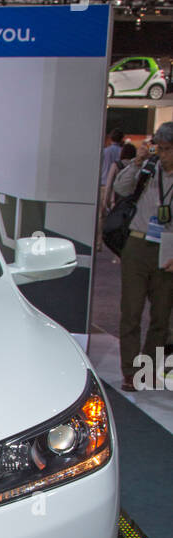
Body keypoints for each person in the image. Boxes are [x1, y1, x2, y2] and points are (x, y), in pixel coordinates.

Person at [112, 121, 173, 390]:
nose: (164, 154)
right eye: (160, 148)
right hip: (137, 246)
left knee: (162, 316)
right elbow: (121, 188)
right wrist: (137, 162)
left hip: (168, 250)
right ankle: (130, 372)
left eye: (169, 149)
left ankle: (146, 372)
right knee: (131, 312)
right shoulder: (148, 169)